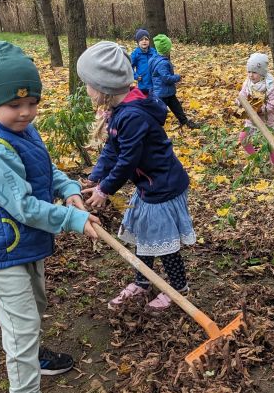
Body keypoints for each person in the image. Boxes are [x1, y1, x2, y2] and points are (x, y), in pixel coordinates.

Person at [0, 41, 100, 393]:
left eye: (32, 103)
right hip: (0, 249)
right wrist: (72, 220)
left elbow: (44, 169)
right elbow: (21, 205)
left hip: (24, 243)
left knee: (33, 310)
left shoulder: (23, 130)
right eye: (14, 105)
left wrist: (69, 188)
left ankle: (33, 355)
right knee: (21, 325)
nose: (25, 112)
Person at [77, 41, 196, 313]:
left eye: (88, 84)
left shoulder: (132, 115)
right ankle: (143, 281)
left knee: (163, 242)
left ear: (103, 87)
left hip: (163, 187)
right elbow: (112, 148)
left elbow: (127, 160)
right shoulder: (120, 111)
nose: (87, 90)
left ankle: (178, 289)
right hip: (149, 185)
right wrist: (95, 177)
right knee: (144, 234)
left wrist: (105, 190)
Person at [147, 34, 200, 128]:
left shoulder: (154, 59)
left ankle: (185, 122)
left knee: (177, 108)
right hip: (162, 94)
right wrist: (177, 77)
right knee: (160, 113)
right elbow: (166, 78)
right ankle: (155, 128)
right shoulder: (162, 63)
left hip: (167, 92)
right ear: (167, 50)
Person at [237, 52, 274, 165]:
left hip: (266, 120)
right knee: (243, 137)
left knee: (270, 143)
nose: (251, 75)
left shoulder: (269, 85)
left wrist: (260, 109)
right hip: (251, 119)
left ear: (262, 73)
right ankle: (254, 157)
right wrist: (240, 101)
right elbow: (243, 94)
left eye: (254, 72)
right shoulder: (248, 83)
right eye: (249, 72)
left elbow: (272, 105)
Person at [130, 28, 157, 95]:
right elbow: (129, 66)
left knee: (155, 101)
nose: (144, 41)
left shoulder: (154, 52)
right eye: (141, 40)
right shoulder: (136, 54)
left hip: (155, 83)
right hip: (143, 84)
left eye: (146, 39)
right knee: (145, 100)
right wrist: (135, 75)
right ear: (138, 42)